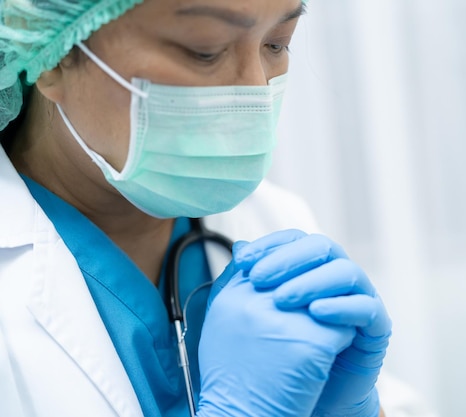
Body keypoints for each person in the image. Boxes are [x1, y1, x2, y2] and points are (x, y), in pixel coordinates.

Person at [0, 0, 393, 416]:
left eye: (276, 44)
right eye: (204, 50)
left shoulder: (275, 220)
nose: (256, 92)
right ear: (54, 56)